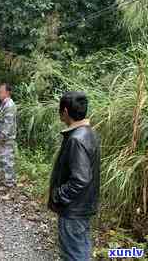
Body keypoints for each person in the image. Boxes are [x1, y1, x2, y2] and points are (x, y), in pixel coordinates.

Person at [48, 91, 101, 261]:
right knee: (80, 249)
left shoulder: (77, 139)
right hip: (82, 206)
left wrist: (59, 195)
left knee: (73, 254)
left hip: (73, 209)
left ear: (64, 111)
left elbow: (81, 178)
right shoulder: (88, 132)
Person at [0, 83, 17, 189]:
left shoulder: (9, 105)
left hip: (6, 140)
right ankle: (4, 182)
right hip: (1, 140)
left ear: (7, 92)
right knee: (2, 161)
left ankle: (10, 186)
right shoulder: (4, 104)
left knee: (8, 162)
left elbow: (8, 126)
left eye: (1, 91)